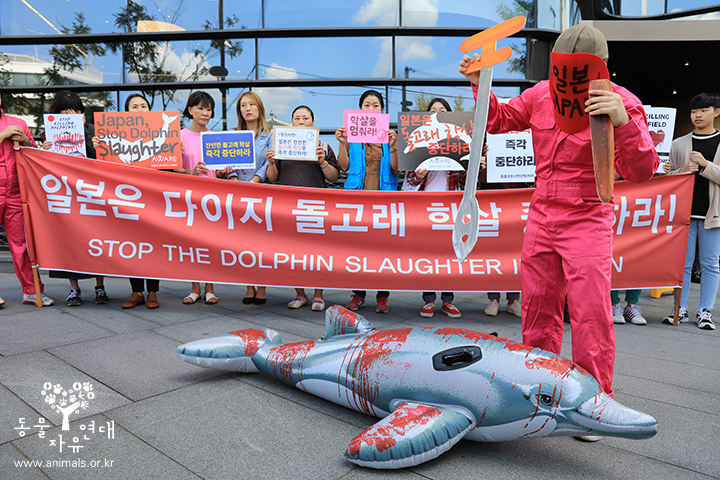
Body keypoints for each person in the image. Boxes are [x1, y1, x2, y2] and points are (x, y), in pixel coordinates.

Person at [459, 24, 659, 410]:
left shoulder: (622, 102)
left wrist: (624, 122)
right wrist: (479, 82)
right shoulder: (539, 93)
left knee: (590, 313)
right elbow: (499, 119)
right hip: (542, 211)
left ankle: (594, 401)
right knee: (537, 306)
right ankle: (540, 389)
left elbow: (642, 170)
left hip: (588, 213)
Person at [266, 105, 339, 311]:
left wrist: (323, 161)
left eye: (305, 118)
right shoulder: (282, 144)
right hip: (289, 207)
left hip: (316, 206)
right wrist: (271, 162)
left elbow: (333, 177)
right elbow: (274, 178)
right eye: (296, 118)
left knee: (318, 253)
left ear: (313, 122)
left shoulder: (323, 145)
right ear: (291, 123)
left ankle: (318, 295)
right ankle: (300, 294)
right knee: (294, 253)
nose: (300, 121)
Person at [335, 89, 399, 313]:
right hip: (357, 200)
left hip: (383, 200)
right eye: (366, 105)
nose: (371, 109)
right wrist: (342, 143)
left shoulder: (390, 136)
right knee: (358, 249)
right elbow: (343, 167)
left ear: (382, 110)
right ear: (359, 109)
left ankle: (382, 297)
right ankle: (358, 294)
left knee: (383, 250)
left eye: (376, 105)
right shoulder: (352, 135)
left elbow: (396, 168)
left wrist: (393, 147)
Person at [41, 90, 105, 307]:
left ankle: (100, 286)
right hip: (65, 196)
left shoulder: (94, 132)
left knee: (97, 239)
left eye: (76, 112)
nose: (71, 117)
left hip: (91, 194)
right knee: (69, 241)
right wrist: (43, 151)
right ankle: (74, 288)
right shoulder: (48, 136)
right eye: (65, 113)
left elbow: (104, 162)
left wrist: (94, 143)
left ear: (82, 113)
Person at [663, 92, 720, 331]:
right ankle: (680, 309)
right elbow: (668, 181)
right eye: (695, 111)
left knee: (710, 265)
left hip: (713, 215)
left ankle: (705, 311)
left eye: (704, 110)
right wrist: (683, 170)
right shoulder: (678, 144)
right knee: (681, 265)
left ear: (716, 112)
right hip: (683, 215)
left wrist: (706, 165)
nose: (698, 115)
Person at [402, 97, 463, 319]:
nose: (438, 113)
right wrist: (418, 175)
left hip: (451, 206)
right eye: (433, 110)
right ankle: (428, 300)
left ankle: (448, 301)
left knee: (449, 253)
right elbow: (410, 179)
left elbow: (466, 177)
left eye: (443, 110)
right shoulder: (418, 141)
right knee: (428, 254)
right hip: (426, 207)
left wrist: (475, 160)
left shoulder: (458, 140)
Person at [0, 92, 54, 306]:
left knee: (22, 245)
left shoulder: (19, 123)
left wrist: (25, 141)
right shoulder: (7, 127)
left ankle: (32, 291)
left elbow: (34, 155)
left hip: (15, 192)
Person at [227, 91, 273, 305]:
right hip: (238, 195)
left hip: (261, 193)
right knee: (243, 243)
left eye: (252, 104)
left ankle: (262, 286)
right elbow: (227, 164)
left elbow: (269, 164)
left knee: (262, 244)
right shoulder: (234, 134)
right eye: (243, 105)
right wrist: (233, 176)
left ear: (259, 108)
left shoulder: (270, 135)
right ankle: (249, 286)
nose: (247, 108)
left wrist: (255, 180)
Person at [117, 94, 161, 309]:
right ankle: (136, 292)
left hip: (153, 198)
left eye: (144, 106)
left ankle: (152, 292)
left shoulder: (162, 136)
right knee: (131, 245)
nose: (140, 109)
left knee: (152, 246)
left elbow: (169, 168)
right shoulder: (116, 136)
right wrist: (100, 146)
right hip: (128, 197)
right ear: (127, 113)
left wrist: (175, 151)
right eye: (134, 106)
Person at [178, 91, 219, 305]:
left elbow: (219, 171)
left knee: (209, 244)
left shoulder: (215, 138)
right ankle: (195, 288)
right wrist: (190, 172)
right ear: (190, 110)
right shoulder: (179, 137)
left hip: (211, 198)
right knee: (192, 244)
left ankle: (210, 289)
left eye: (209, 109)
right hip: (188, 198)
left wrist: (225, 169)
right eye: (200, 108)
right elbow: (171, 169)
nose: (205, 113)